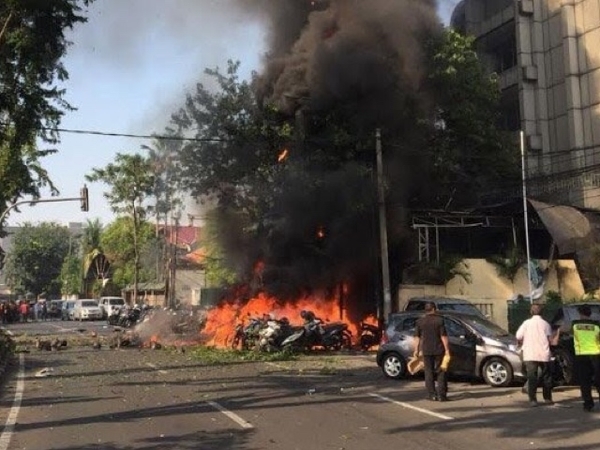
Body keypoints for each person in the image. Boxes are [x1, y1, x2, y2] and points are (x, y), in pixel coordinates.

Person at [515, 303, 554, 407]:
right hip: (544, 354)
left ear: (531, 312)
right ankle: (547, 398)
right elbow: (550, 340)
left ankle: (533, 400)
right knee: (546, 377)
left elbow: (518, 336)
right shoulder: (546, 324)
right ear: (542, 312)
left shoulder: (526, 323)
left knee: (532, 377)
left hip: (530, 353)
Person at [413, 302, 451, 402]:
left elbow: (417, 337)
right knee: (441, 371)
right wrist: (447, 350)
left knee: (428, 372)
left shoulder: (420, 322)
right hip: (439, 349)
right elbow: (443, 336)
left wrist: (416, 350)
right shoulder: (439, 320)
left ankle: (431, 395)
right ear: (434, 309)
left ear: (426, 310)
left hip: (426, 350)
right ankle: (442, 396)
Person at [571, 304, 600, 412]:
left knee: (584, 382)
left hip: (581, 355)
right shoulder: (597, 325)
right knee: (598, 380)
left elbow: (570, 334)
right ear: (590, 313)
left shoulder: (575, 325)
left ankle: (588, 404)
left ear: (580, 313)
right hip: (596, 354)